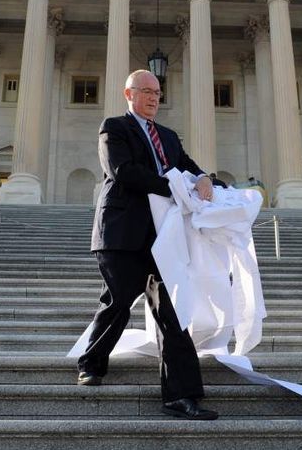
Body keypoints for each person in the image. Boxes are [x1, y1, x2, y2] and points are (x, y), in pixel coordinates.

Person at [77, 69, 218, 420]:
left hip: (162, 236)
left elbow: (186, 166)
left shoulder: (168, 137)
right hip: (122, 233)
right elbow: (122, 171)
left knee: (171, 314)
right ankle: (92, 362)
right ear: (129, 94)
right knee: (118, 302)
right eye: (147, 91)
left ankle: (182, 396)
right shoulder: (114, 128)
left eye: (158, 92)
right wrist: (174, 187)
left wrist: (202, 179)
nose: (155, 98)